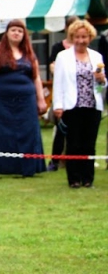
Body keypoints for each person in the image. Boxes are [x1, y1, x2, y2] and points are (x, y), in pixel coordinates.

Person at [0, 19, 47, 178]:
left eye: (20, 31)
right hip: (0, 100)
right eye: (13, 30)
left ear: (24, 35)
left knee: (28, 132)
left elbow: (36, 78)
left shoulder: (30, 53)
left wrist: (41, 99)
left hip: (26, 99)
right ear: (7, 33)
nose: (16, 33)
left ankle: (28, 168)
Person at [53, 19, 104, 189]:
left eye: (85, 37)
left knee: (89, 144)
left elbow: (101, 85)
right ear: (72, 37)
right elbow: (58, 82)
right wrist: (58, 105)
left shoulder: (97, 57)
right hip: (71, 105)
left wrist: (102, 80)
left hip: (92, 105)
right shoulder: (63, 56)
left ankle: (88, 179)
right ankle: (74, 179)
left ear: (90, 37)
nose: (81, 40)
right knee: (73, 143)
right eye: (77, 37)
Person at [50, 16, 77, 172]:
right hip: (62, 92)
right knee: (60, 129)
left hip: (78, 94)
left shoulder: (86, 50)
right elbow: (53, 68)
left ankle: (75, 161)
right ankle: (54, 160)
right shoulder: (58, 48)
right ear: (66, 28)